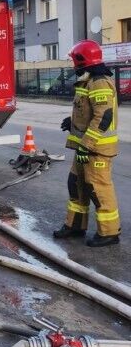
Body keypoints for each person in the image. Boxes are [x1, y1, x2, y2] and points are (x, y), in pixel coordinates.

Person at [56, 40, 120, 247]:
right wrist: (72, 122)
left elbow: (103, 117)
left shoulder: (99, 82)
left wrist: (86, 145)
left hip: (96, 149)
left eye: (74, 60)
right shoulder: (88, 81)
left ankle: (109, 233)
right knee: (76, 185)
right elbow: (87, 112)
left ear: (81, 60)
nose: (72, 64)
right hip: (84, 148)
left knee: (98, 189)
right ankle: (75, 225)